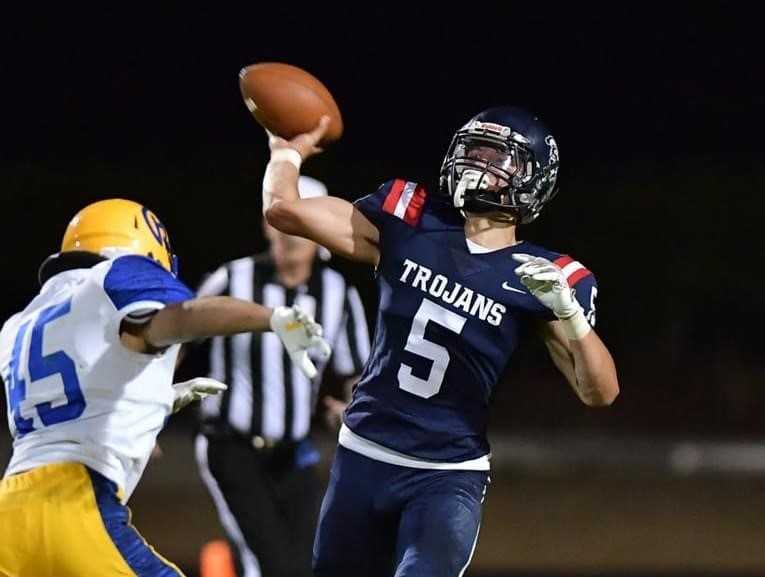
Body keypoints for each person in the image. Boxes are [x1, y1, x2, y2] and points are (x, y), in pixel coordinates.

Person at [260, 106, 620, 577]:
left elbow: (600, 392)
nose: (476, 161)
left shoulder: (545, 276)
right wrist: (286, 153)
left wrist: (570, 315)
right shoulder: (410, 218)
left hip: (446, 474)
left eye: (495, 155)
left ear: (532, 180)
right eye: (474, 148)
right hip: (363, 455)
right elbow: (283, 210)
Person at [0, 198, 330, 577]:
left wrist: (156, 400)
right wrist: (270, 317)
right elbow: (182, 318)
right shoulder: (112, 279)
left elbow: (76, 396)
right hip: (74, 503)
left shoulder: (21, 323)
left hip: (9, 511)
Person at [193, 175, 371, 577]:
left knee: (310, 563)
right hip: (230, 445)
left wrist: (352, 409)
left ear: (319, 231)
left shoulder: (338, 293)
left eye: (299, 221)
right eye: (280, 219)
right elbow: (177, 334)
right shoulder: (233, 278)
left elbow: (355, 374)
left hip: (293, 452)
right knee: (268, 563)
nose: (287, 233)